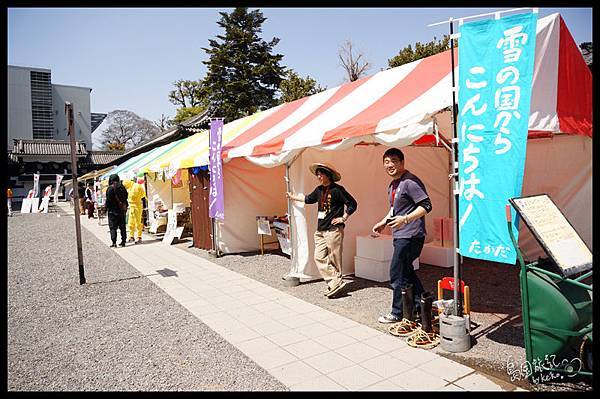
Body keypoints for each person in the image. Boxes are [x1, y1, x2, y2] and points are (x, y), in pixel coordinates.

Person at [372, 148, 432, 324]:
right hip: (401, 235)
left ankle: (397, 312)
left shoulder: (410, 182)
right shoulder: (393, 184)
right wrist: (383, 222)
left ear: (402, 162)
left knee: (397, 273)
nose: (390, 165)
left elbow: (427, 205)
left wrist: (405, 219)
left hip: (411, 235)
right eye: (386, 162)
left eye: (394, 161)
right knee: (406, 272)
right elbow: (395, 209)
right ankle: (423, 306)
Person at [286, 162, 357, 298]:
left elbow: (352, 204)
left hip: (333, 230)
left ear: (328, 175)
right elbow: (308, 199)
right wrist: (292, 197)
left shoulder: (338, 190)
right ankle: (335, 281)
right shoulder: (319, 190)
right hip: (320, 231)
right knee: (318, 257)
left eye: (321, 174)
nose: (318, 176)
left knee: (334, 258)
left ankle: (334, 284)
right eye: (317, 174)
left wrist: (344, 218)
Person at [105, 174, 129, 248]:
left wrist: (106, 208)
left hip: (112, 211)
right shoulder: (122, 187)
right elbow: (126, 197)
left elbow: (108, 200)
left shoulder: (110, 188)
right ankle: (123, 241)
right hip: (121, 210)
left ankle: (114, 242)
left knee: (113, 227)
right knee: (122, 227)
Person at [126, 172, 146, 244]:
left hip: (137, 206)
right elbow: (143, 197)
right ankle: (132, 236)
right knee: (131, 222)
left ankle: (139, 236)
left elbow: (143, 197)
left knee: (137, 222)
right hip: (132, 206)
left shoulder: (137, 186)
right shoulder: (129, 187)